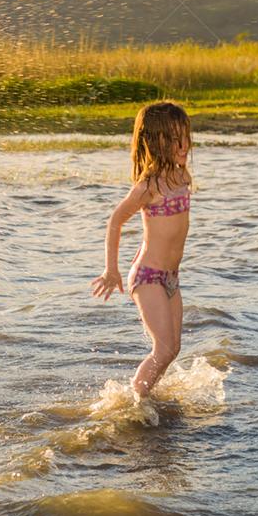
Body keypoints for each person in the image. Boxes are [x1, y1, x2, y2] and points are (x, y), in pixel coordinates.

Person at [90, 101, 193, 399]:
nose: (184, 144)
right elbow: (115, 220)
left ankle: (146, 397)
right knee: (162, 349)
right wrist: (112, 269)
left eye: (185, 136)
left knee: (173, 349)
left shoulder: (182, 177)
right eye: (175, 139)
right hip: (148, 278)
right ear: (156, 142)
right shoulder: (148, 187)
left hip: (171, 278)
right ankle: (135, 404)